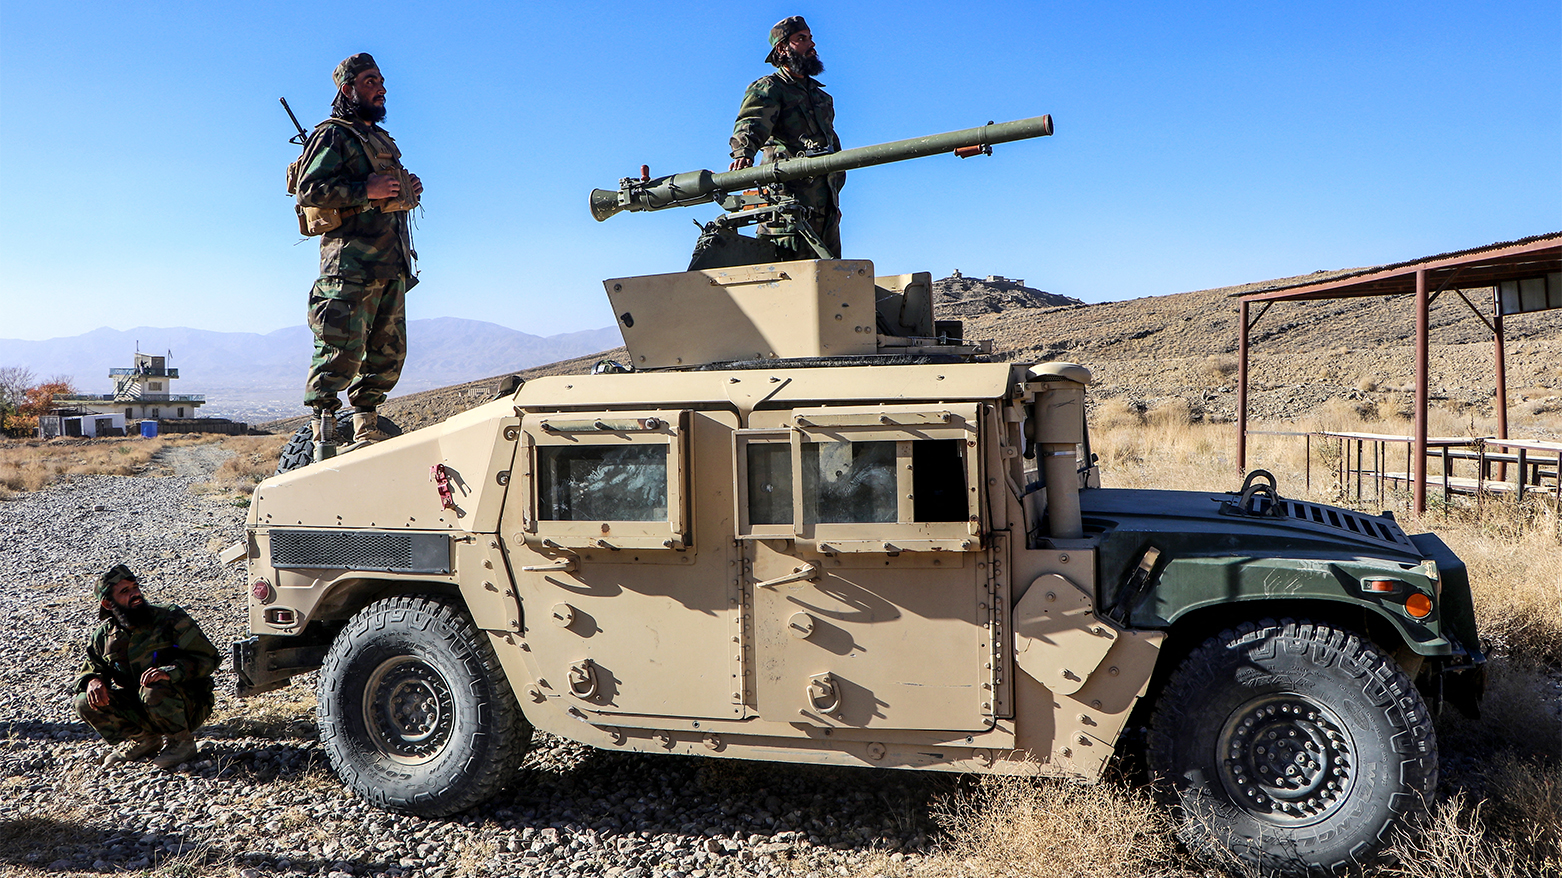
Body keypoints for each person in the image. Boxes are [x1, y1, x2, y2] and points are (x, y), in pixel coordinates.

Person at [296, 52, 423, 454]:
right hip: (349, 268)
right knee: (339, 352)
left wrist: (406, 190)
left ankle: (367, 424)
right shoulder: (333, 135)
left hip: (389, 266)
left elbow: (385, 195)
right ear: (348, 89)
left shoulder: (381, 140)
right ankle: (324, 434)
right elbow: (309, 189)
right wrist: (364, 191)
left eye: (381, 81)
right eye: (370, 81)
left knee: (389, 354)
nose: (381, 88)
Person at [73, 564, 219, 769]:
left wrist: (170, 672)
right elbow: (91, 668)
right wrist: (93, 681)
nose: (135, 594)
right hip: (142, 707)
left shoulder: (169, 617)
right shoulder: (103, 636)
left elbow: (209, 658)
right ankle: (144, 740)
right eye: (125, 591)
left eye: (135, 587)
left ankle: (181, 742)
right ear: (107, 603)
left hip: (186, 702)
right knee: (84, 701)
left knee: (153, 688)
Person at [728, 16, 844, 260]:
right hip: (787, 212)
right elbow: (752, 122)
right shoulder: (771, 88)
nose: (811, 45)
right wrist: (743, 154)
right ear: (782, 48)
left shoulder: (821, 97)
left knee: (832, 283)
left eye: (810, 38)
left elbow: (831, 143)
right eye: (801, 39)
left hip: (827, 211)